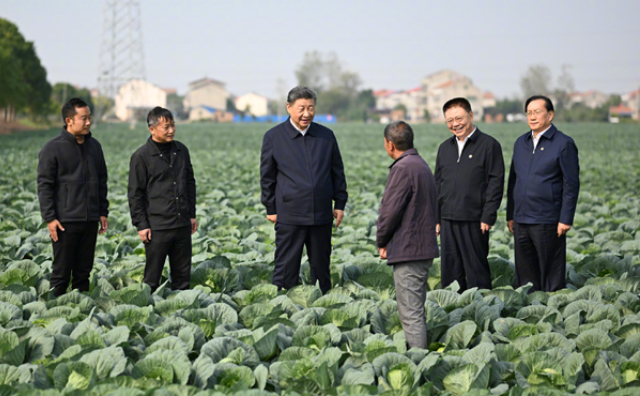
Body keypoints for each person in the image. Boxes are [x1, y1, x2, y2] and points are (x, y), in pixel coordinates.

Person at [260, 86, 348, 294]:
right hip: (290, 214)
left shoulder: (326, 136)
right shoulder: (274, 137)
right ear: (289, 107)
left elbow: (337, 172)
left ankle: (323, 304)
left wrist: (340, 203)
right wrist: (270, 208)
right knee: (286, 269)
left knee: (321, 268)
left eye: (311, 108)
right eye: (301, 108)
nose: (306, 113)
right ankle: (284, 307)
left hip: (321, 214)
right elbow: (267, 177)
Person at [37, 98, 109, 297]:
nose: (88, 122)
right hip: (64, 221)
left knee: (83, 274)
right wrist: (50, 218)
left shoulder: (95, 146)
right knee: (61, 273)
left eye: (89, 118)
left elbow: (102, 181)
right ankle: (53, 312)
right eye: (83, 118)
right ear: (69, 120)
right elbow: (44, 186)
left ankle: (81, 313)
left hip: (89, 220)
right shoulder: (52, 149)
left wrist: (102, 211)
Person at [507, 95, 579, 292]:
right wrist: (510, 214)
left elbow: (571, 184)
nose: (532, 117)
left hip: (548, 219)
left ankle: (554, 308)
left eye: (537, 112)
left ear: (550, 115)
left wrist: (565, 218)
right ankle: (529, 310)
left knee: (550, 273)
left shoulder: (563, 143)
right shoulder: (520, 143)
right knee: (525, 273)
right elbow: (514, 180)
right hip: (521, 219)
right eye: (529, 113)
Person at [377, 121, 439, 350]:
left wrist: (382, 241)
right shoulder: (421, 164)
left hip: (408, 250)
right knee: (416, 311)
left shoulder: (402, 168)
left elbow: (389, 211)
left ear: (389, 144)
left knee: (410, 314)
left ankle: (419, 365)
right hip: (422, 249)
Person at [434, 97, 504, 291]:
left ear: (471, 115)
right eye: (449, 121)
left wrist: (488, 215)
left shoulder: (489, 145)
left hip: (475, 220)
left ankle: (480, 311)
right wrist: (436, 217)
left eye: (459, 118)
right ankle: (452, 313)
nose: (455, 124)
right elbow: (437, 183)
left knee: (476, 270)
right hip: (447, 219)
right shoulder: (444, 148)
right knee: (450, 270)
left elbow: (495, 184)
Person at [128, 107, 197, 292]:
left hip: (181, 223)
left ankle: (181, 310)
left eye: (173, 125)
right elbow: (135, 194)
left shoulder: (181, 150)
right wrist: (141, 225)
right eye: (166, 127)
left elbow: (189, 183)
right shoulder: (141, 156)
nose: (171, 130)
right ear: (152, 129)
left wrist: (191, 215)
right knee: (152, 277)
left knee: (182, 278)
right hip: (157, 226)